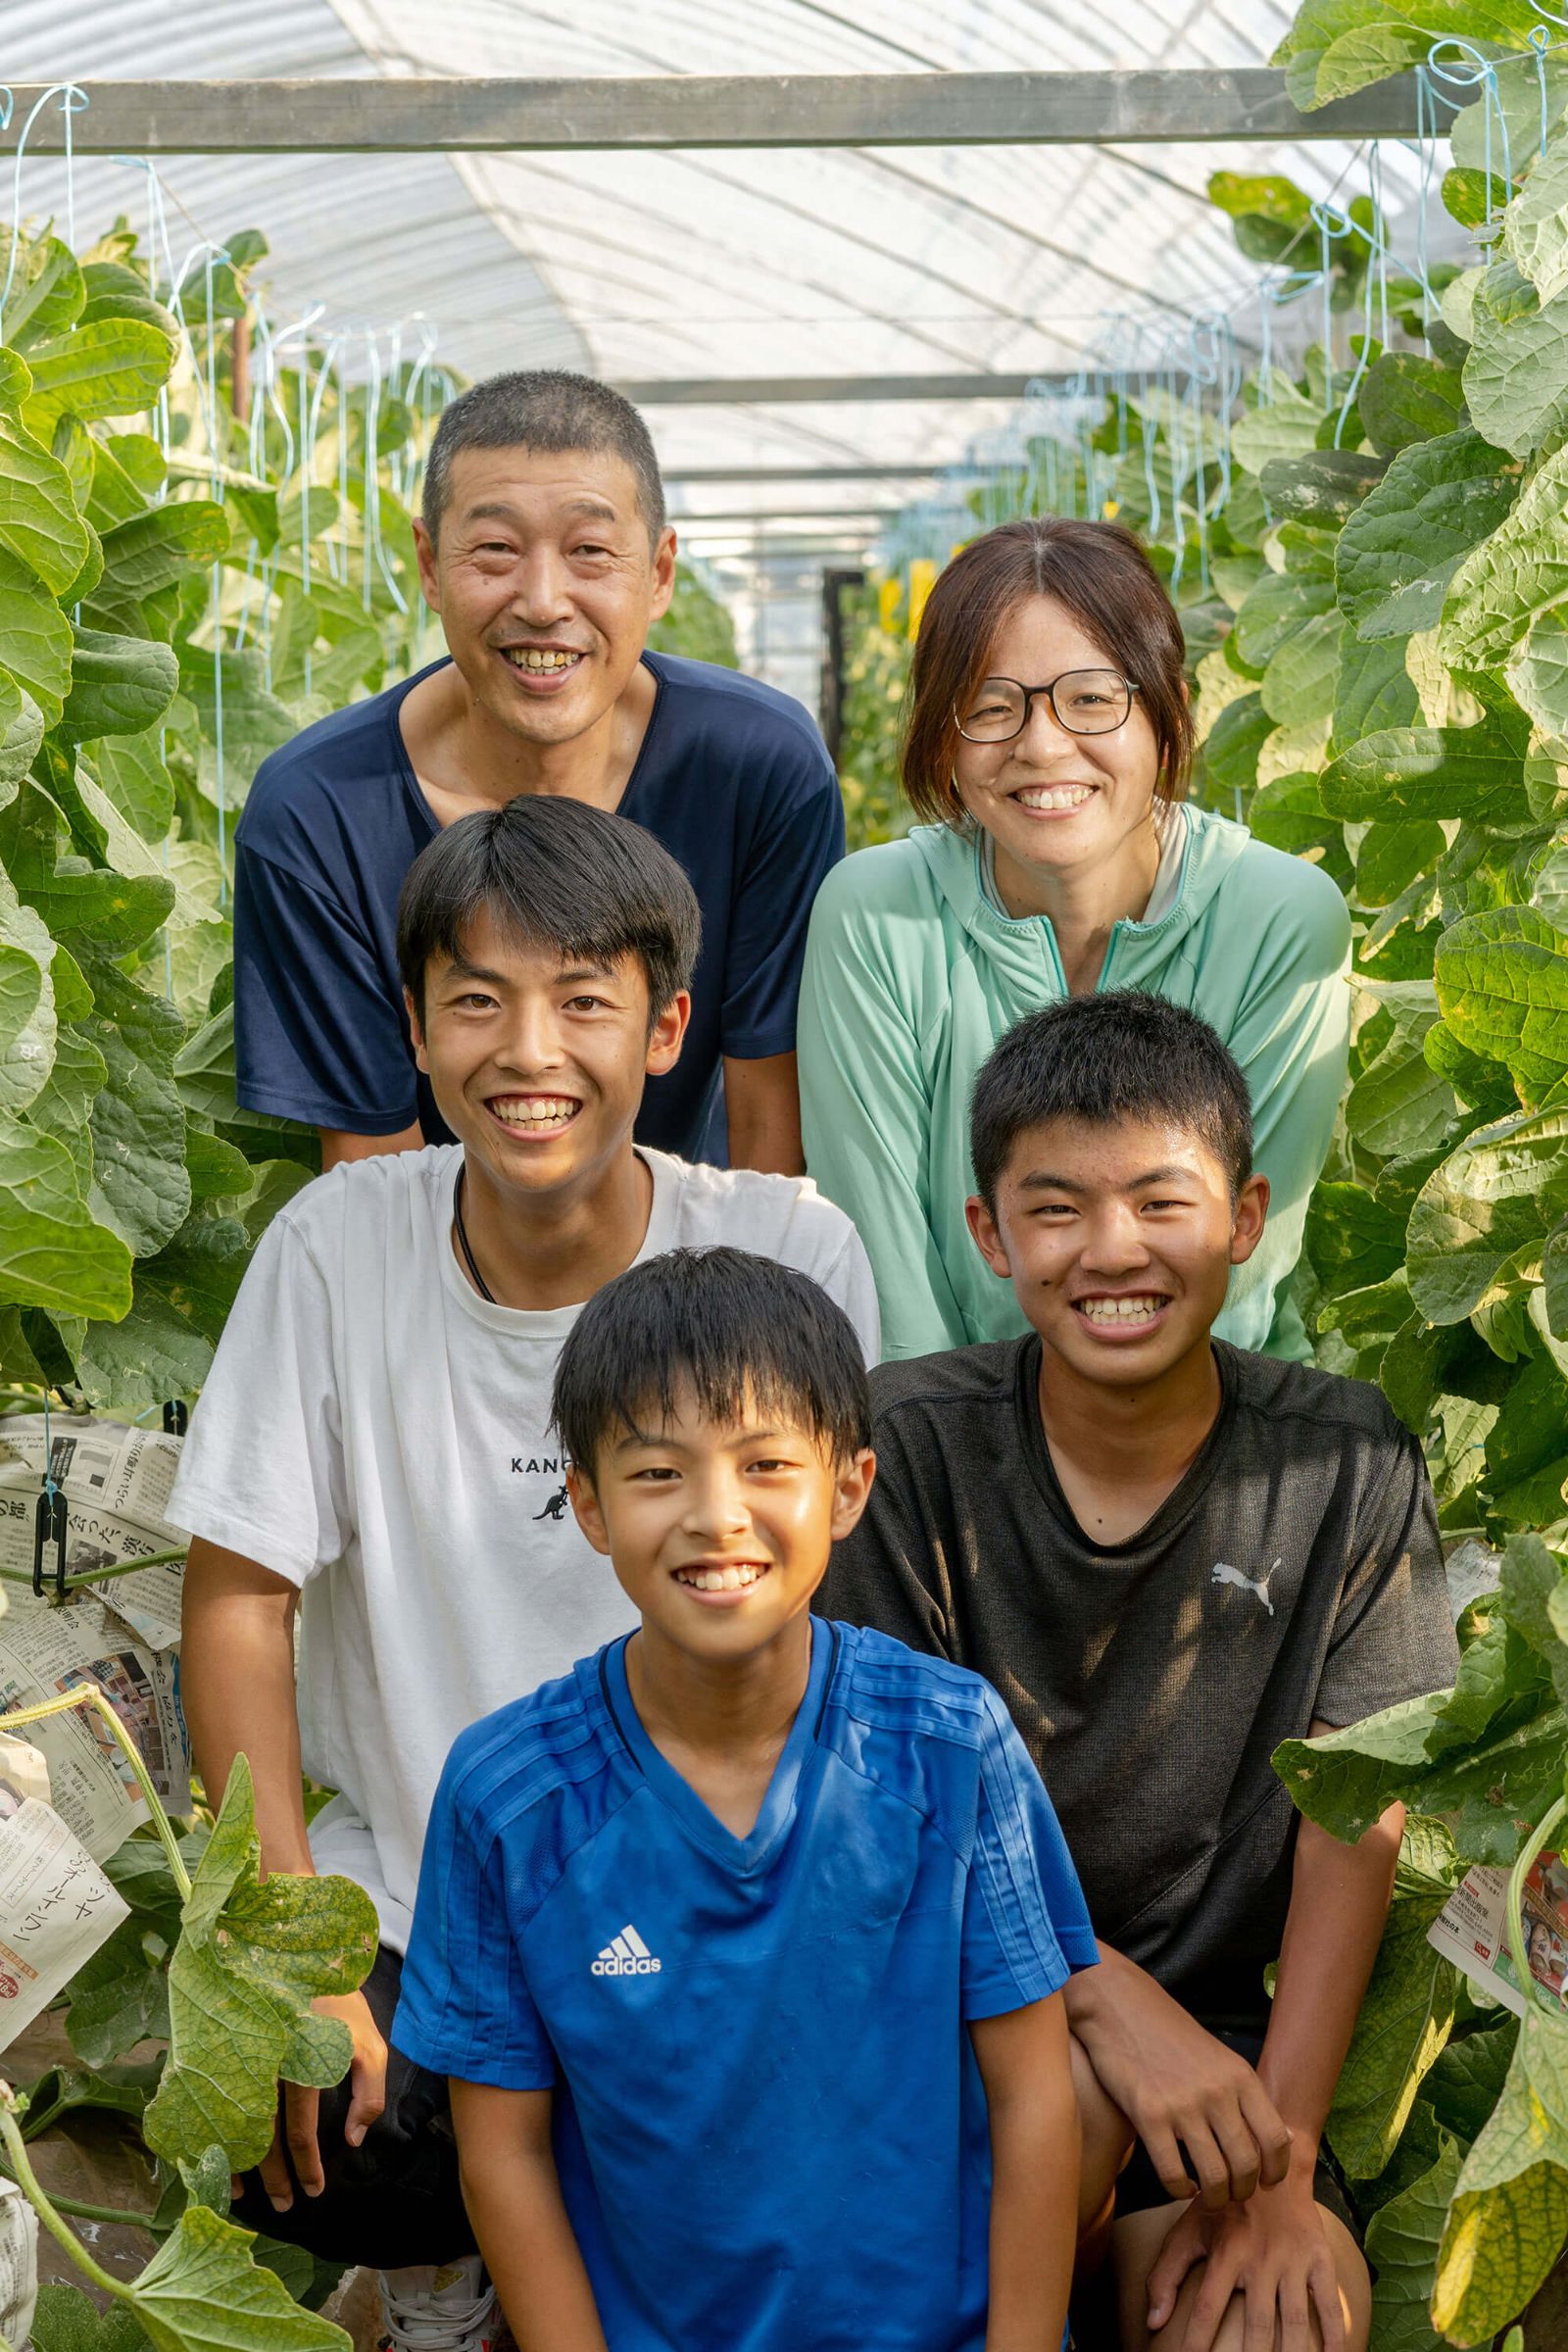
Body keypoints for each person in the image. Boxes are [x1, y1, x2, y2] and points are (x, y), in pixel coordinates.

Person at [172, 797, 878, 2352]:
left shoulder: (780, 1253)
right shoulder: (338, 1247)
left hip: (702, 1887)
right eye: (476, 1001)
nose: (528, 1051)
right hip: (423, 1896)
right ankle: (434, 2291)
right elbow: (236, 1596)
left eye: (582, 1001)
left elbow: (826, 1621)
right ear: (415, 1033)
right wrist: (284, 1942)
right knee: (336, 2135)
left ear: (669, 1026)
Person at [820, 993, 1460, 2352]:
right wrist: (1103, 1998)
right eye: (1056, 1209)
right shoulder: (906, 1449)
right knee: (1067, 2103)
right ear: (991, 1236)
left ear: (1243, 1216)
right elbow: (886, 1825)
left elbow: (1362, 1816)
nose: (1113, 1251)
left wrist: (1279, 2158)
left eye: (1162, 1201)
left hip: (1230, 2067)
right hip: (946, 2025)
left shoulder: (1342, 1460)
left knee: (1292, 2320)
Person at [394, 1245, 1098, 2352]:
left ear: (850, 1488)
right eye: (657, 1472)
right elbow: (505, 2154)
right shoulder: (510, 1796)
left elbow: (1034, 2097)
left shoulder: (949, 1744)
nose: (717, 1517)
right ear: (586, 1503)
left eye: (767, 1464)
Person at [235, 368, 844, 1177]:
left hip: (690, 1266)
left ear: (659, 572)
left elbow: (770, 1132)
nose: (543, 601)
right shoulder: (316, 816)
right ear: (428, 563)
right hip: (435, 1264)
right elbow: (373, 1184)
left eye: (591, 551)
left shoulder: (757, 767)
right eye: (495, 550)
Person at [798, 514, 1351, 1363]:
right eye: (991, 706)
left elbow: (1237, 1277)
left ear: (1165, 714)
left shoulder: (1280, 917)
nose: (1043, 745)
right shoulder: (876, 917)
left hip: (1219, 1422)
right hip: (945, 1440)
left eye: (1092, 699)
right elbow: (887, 1286)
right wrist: (961, 1469)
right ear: (943, 737)